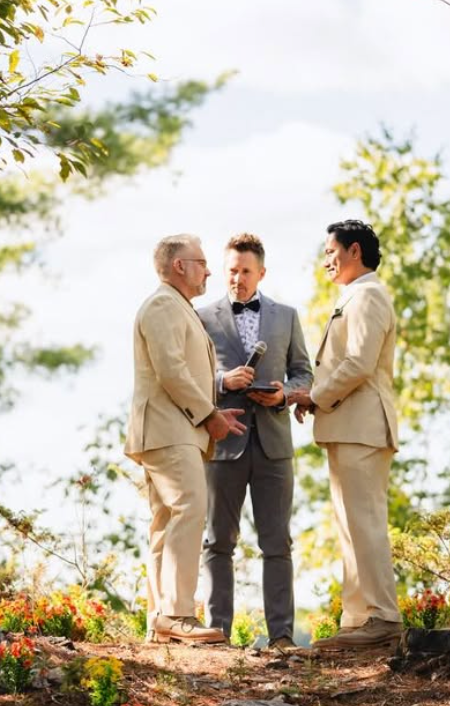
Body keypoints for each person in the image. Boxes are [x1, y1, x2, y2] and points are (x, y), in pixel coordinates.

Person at [124, 234, 246, 644]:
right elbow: (171, 371)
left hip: (175, 427)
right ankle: (177, 613)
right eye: (202, 262)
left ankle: (161, 620)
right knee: (190, 507)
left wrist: (212, 409)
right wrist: (209, 414)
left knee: (166, 520)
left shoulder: (178, 308)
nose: (209, 270)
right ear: (179, 265)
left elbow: (183, 372)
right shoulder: (163, 304)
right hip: (168, 427)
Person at [288, 220, 403, 649]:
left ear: (354, 251)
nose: (325, 262)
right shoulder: (355, 295)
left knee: (365, 521)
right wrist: (313, 397)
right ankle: (357, 619)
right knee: (351, 523)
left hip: (362, 425)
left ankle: (381, 617)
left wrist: (315, 396)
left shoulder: (368, 295)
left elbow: (358, 363)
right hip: (349, 425)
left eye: (330, 252)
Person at [197, 233, 313, 649]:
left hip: (274, 444)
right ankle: (217, 634)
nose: (237, 278)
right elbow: (189, 378)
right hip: (223, 443)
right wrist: (221, 381)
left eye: (246, 271)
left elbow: (304, 372)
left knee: (277, 542)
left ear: (261, 272)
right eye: (231, 270)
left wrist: (284, 393)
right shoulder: (201, 317)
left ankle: (281, 636)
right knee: (217, 541)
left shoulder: (287, 316)